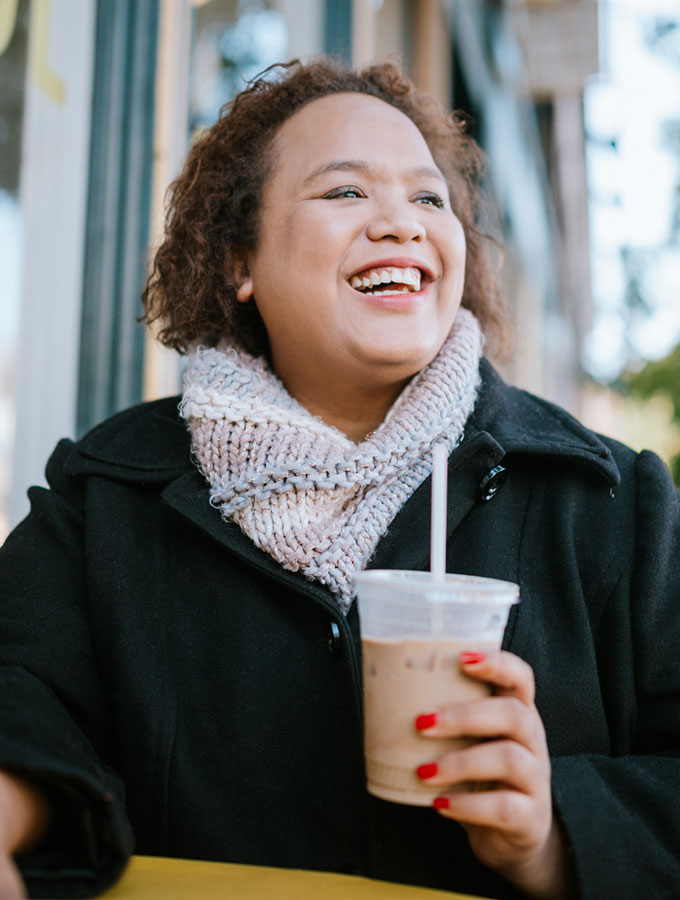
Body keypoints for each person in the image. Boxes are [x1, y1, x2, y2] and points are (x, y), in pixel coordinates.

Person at [0, 57, 678, 900]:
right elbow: (22, 687)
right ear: (238, 260)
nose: (402, 222)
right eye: (345, 192)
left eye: (430, 199)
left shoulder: (614, 503)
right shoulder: (107, 495)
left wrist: (554, 834)